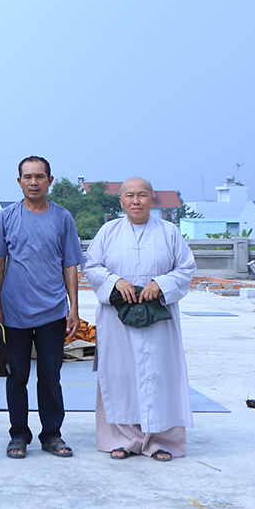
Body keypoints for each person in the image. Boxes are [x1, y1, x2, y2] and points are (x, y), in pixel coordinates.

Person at [84, 177, 195, 461]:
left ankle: (160, 440)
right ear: (121, 200)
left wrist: (161, 284)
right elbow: (92, 266)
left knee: (160, 374)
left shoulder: (169, 232)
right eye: (130, 195)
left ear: (152, 199)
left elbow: (186, 268)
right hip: (117, 319)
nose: (136, 201)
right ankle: (124, 439)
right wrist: (115, 281)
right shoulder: (108, 232)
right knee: (120, 375)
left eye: (142, 195)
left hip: (159, 320)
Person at [0, 156, 84, 460]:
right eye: (27, 177)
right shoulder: (7, 218)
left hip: (52, 311)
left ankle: (51, 433)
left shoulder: (62, 218)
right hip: (14, 312)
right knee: (16, 375)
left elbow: (70, 264)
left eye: (39, 176)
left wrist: (73, 308)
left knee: (50, 375)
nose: (33, 182)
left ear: (49, 181)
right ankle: (18, 434)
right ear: (19, 182)